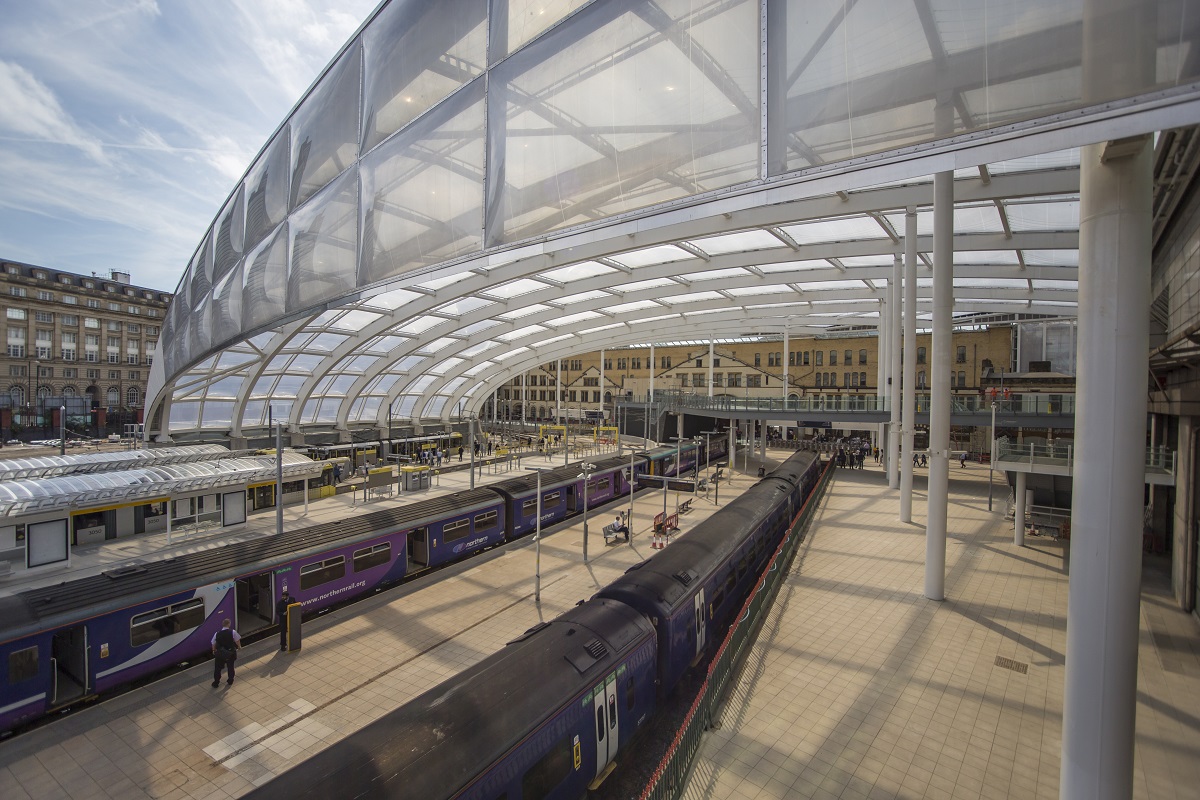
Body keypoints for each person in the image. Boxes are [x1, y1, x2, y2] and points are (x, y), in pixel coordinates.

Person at [211, 619, 241, 687]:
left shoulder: (217, 633)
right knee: (230, 667)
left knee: (217, 668)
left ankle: (216, 682)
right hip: (230, 653)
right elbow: (237, 640)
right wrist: (239, 647)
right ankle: (230, 680)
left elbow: (213, 643)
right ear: (229, 624)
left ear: (223, 625)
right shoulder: (232, 632)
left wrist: (214, 650)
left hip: (220, 654)